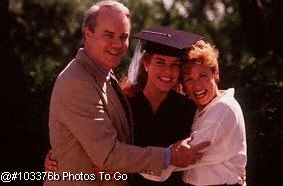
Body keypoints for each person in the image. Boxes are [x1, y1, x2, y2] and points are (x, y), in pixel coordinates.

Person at [44, 1, 210, 185]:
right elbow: (108, 154)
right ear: (87, 34)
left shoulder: (188, 109)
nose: (117, 44)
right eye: (109, 35)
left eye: (123, 37)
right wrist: (169, 156)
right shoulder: (82, 83)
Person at [142, 40, 247, 185]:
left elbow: (184, 157)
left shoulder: (223, 108)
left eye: (202, 76)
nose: (197, 86)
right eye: (188, 79)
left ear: (215, 73)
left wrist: (134, 163)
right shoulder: (202, 108)